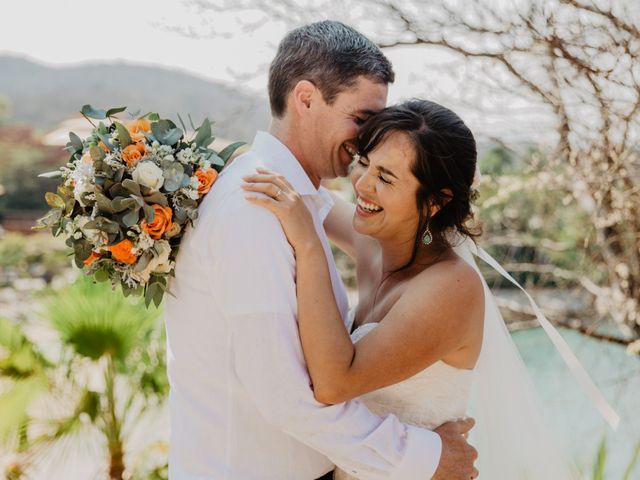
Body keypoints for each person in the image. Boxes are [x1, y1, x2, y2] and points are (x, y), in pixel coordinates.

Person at [164, 21, 478, 480]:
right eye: (361, 120)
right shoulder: (254, 210)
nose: (363, 145)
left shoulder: (291, 201)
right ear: (306, 98)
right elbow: (286, 396)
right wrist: (425, 458)